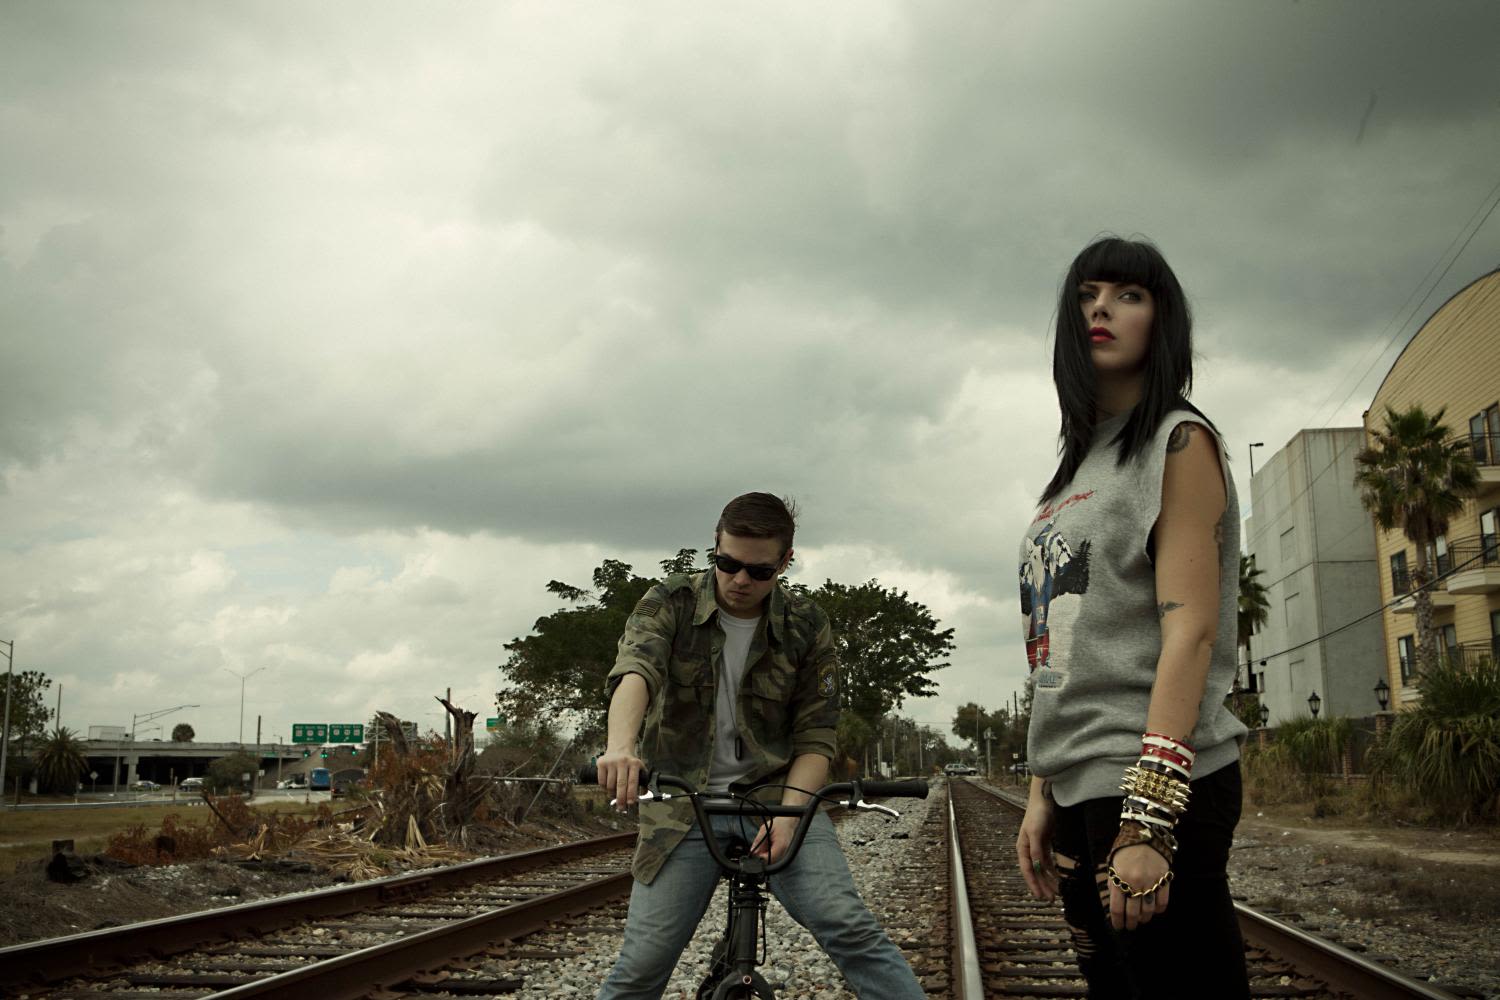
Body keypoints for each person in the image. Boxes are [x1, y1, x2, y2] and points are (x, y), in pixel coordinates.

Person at [1013, 237, 1250, 998]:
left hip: (1150, 778)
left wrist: (1148, 820)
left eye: (1127, 295)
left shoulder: (1177, 441)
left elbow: (1192, 631)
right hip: (1084, 781)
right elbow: (1063, 645)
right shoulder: (1075, 469)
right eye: (1087, 296)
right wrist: (1044, 789)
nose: (1102, 309)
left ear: (1161, 318)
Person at [595, 492, 925, 999]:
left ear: (785, 561)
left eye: (759, 571)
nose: (740, 580)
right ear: (715, 545)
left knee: (848, 928)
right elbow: (637, 669)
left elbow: (816, 734)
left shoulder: (806, 624)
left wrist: (790, 818)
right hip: (683, 806)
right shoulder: (670, 601)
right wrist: (620, 746)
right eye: (727, 563)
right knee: (642, 964)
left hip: (779, 799)